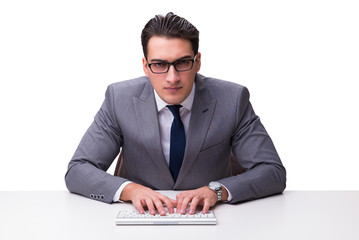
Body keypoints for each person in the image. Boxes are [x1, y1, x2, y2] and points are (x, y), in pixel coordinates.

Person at [65, 12, 286, 216]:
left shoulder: (233, 99)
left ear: (197, 61)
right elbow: (78, 170)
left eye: (182, 63)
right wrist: (129, 190)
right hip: (139, 221)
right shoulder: (118, 99)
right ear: (145, 66)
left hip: (215, 221)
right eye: (159, 64)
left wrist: (217, 191)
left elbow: (272, 171)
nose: (172, 77)